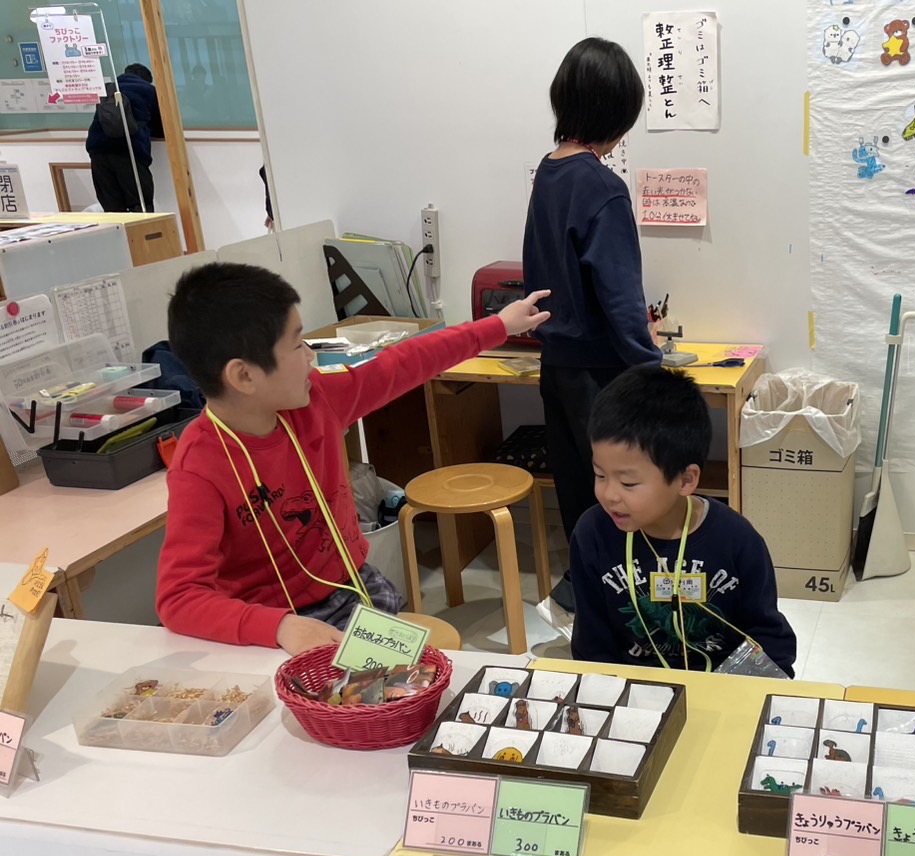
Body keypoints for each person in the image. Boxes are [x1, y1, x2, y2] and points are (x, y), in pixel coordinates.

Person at [156, 262, 550, 655]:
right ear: (244, 376)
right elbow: (179, 598)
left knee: (413, 680)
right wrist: (278, 627)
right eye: (297, 345)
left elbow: (405, 362)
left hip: (352, 589)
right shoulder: (201, 466)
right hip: (275, 628)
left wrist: (498, 326)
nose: (310, 356)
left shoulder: (318, 400)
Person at [523, 37, 662, 612]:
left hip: (556, 366)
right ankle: (623, 602)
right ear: (615, 113)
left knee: (580, 487)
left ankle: (582, 586)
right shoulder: (603, 187)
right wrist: (652, 368)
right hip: (602, 375)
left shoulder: (548, 174)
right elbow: (621, 294)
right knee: (625, 493)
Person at [570, 365, 797, 675]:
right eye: (600, 475)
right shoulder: (592, 534)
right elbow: (592, 646)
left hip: (722, 683)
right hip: (633, 685)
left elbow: (769, 638)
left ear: (686, 480)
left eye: (628, 483)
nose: (609, 494)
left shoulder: (736, 540)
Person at [86, 63, 163, 213]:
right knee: (141, 205)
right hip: (129, 152)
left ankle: (118, 229)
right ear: (147, 79)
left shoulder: (109, 89)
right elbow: (160, 125)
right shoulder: (148, 90)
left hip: (98, 152)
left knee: (112, 208)